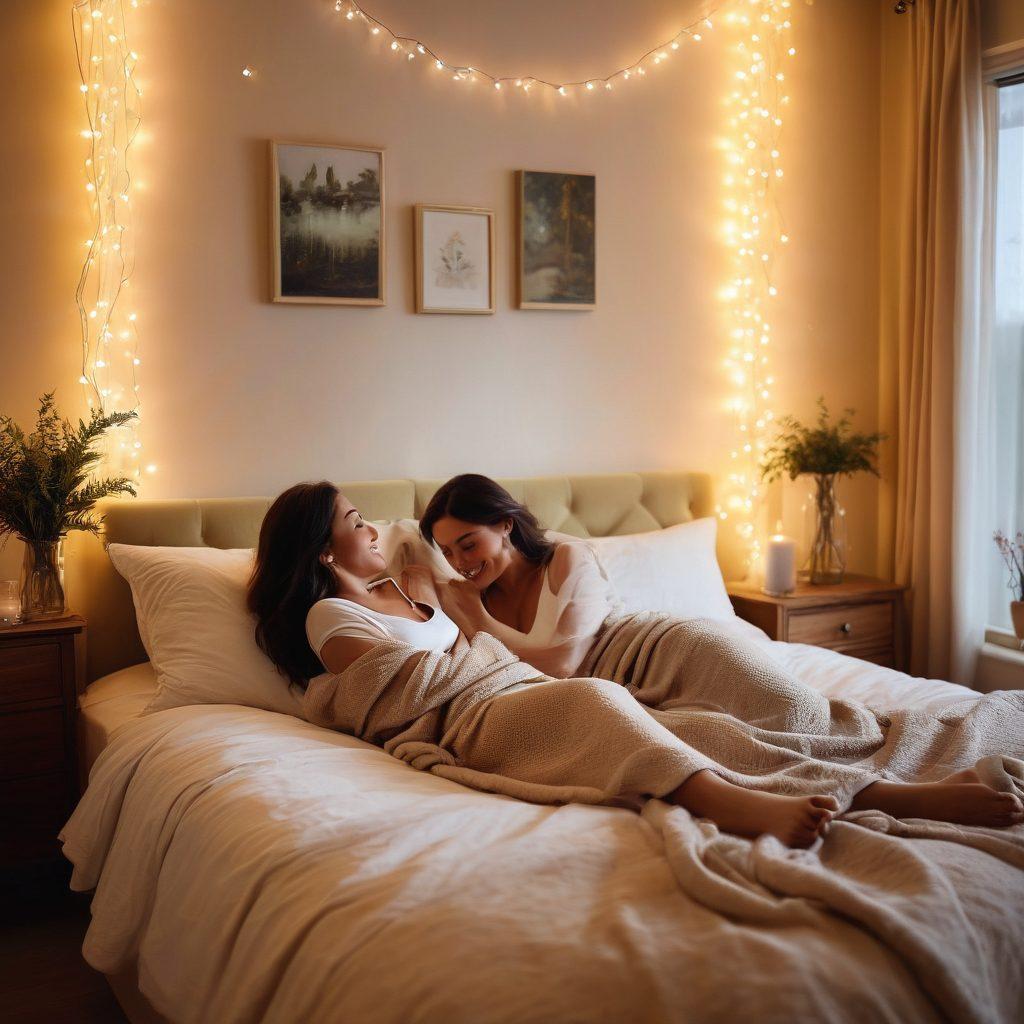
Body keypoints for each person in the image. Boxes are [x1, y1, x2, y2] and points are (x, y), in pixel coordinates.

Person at [417, 473, 1024, 830]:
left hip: (673, 649)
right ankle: (889, 795)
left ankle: (928, 763)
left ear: (504, 523)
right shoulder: (468, 596)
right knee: (718, 740)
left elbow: (563, 664)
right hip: (630, 695)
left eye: (470, 543)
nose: (464, 563)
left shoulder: (569, 558)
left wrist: (473, 618)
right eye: (451, 552)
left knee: (801, 719)